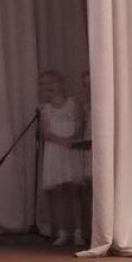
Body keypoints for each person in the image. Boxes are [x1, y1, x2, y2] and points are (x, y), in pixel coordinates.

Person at [38, 70, 87, 247]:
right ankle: (62, 232)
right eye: (45, 84)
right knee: (58, 194)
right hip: (55, 151)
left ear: (61, 84)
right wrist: (61, 141)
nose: (49, 87)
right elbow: (46, 132)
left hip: (71, 149)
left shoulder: (73, 104)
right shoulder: (45, 109)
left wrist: (71, 139)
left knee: (74, 192)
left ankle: (78, 232)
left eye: (53, 82)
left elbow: (81, 124)